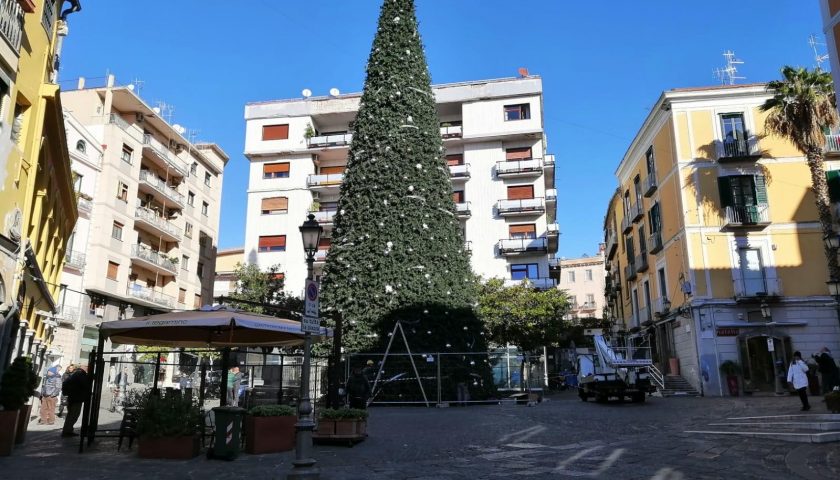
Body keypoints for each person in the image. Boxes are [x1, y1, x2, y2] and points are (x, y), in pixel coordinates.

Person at [61, 365, 90, 437]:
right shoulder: (80, 374)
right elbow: (85, 385)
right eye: (87, 367)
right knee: (73, 415)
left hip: (73, 397)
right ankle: (67, 431)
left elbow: (66, 383)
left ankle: (67, 430)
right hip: (76, 398)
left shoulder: (76, 374)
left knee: (71, 415)